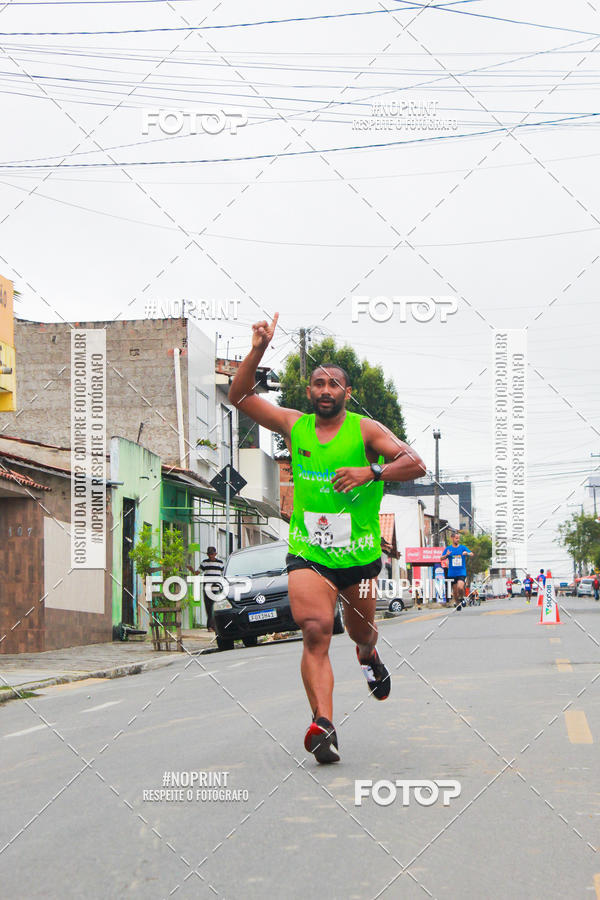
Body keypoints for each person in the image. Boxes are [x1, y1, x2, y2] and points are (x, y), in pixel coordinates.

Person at [229, 313, 426, 763]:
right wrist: (258, 349)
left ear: (346, 393)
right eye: (318, 383)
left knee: (361, 630)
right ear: (309, 391)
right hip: (309, 551)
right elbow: (239, 396)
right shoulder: (294, 426)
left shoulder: (365, 430)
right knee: (316, 630)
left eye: (333, 384)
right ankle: (323, 725)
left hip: (358, 556)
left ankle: (367, 654)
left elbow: (416, 463)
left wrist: (371, 471)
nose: (325, 390)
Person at [440, 532, 473, 610]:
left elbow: (472, 554)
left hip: (461, 571)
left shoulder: (462, 547)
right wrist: (446, 555)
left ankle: (461, 598)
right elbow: (441, 558)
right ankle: (458, 604)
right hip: (452, 572)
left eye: (458, 538)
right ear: (452, 538)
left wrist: (467, 553)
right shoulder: (448, 549)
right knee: (455, 592)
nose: (458, 540)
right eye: (456, 538)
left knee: (460, 587)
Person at [198, 546, 224, 631]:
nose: (211, 556)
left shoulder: (220, 563)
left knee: (214, 607)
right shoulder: (204, 563)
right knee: (208, 607)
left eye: (212, 554)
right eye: (209, 554)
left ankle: (213, 626)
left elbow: (223, 575)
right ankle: (210, 626)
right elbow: (197, 572)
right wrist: (191, 570)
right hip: (207, 589)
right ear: (207, 554)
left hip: (216, 589)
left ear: (215, 554)